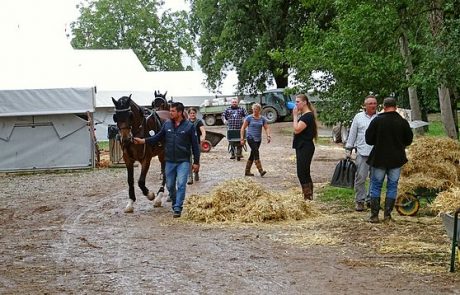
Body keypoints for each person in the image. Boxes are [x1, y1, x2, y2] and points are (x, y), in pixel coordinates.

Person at [133, 102, 200, 218]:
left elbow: (195, 146)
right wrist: (143, 141)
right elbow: (157, 137)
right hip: (169, 161)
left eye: (173, 111)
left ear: (179, 112)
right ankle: (175, 201)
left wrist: (196, 162)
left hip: (183, 161)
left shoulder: (189, 126)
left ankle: (178, 207)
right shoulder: (167, 124)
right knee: (169, 185)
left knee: (181, 184)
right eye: (170, 111)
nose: (170, 113)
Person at [365, 97, 413, 223]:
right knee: (392, 186)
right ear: (396, 107)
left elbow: (368, 140)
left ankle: (374, 216)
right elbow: (408, 140)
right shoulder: (402, 122)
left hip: (379, 157)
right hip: (396, 158)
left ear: (384, 107)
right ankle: (387, 216)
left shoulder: (377, 120)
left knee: (376, 185)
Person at [344, 95, 378, 211]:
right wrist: (348, 149)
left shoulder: (379, 117)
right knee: (360, 178)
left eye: (374, 103)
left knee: (375, 178)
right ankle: (359, 200)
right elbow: (353, 133)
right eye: (370, 104)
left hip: (376, 153)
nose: (373, 105)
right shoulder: (358, 117)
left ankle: (371, 200)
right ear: (365, 106)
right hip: (363, 152)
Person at [292, 93, 318, 201]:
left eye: (298, 102)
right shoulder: (306, 115)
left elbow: (297, 129)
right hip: (303, 146)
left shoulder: (307, 116)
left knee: (302, 173)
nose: (296, 104)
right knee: (304, 172)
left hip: (305, 146)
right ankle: (308, 196)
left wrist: (294, 116)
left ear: (304, 102)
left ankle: (308, 197)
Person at [240, 103, 271, 177]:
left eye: (256, 109)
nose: (254, 111)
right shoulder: (249, 118)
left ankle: (247, 171)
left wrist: (268, 136)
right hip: (250, 137)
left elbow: (266, 127)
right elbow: (243, 128)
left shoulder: (262, 118)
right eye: (253, 109)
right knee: (256, 152)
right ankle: (261, 171)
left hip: (258, 139)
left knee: (252, 154)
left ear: (259, 110)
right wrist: (242, 138)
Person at [187, 107, 206, 184]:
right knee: (188, 161)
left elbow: (203, 130)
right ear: (188, 114)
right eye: (191, 113)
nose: (192, 115)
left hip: (196, 144)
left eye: (193, 113)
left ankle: (196, 173)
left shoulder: (199, 122)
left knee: (196, 160)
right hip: (187, 144)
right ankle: (190, 177)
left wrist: (203, 137)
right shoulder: (186, 122)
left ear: (196, 114)